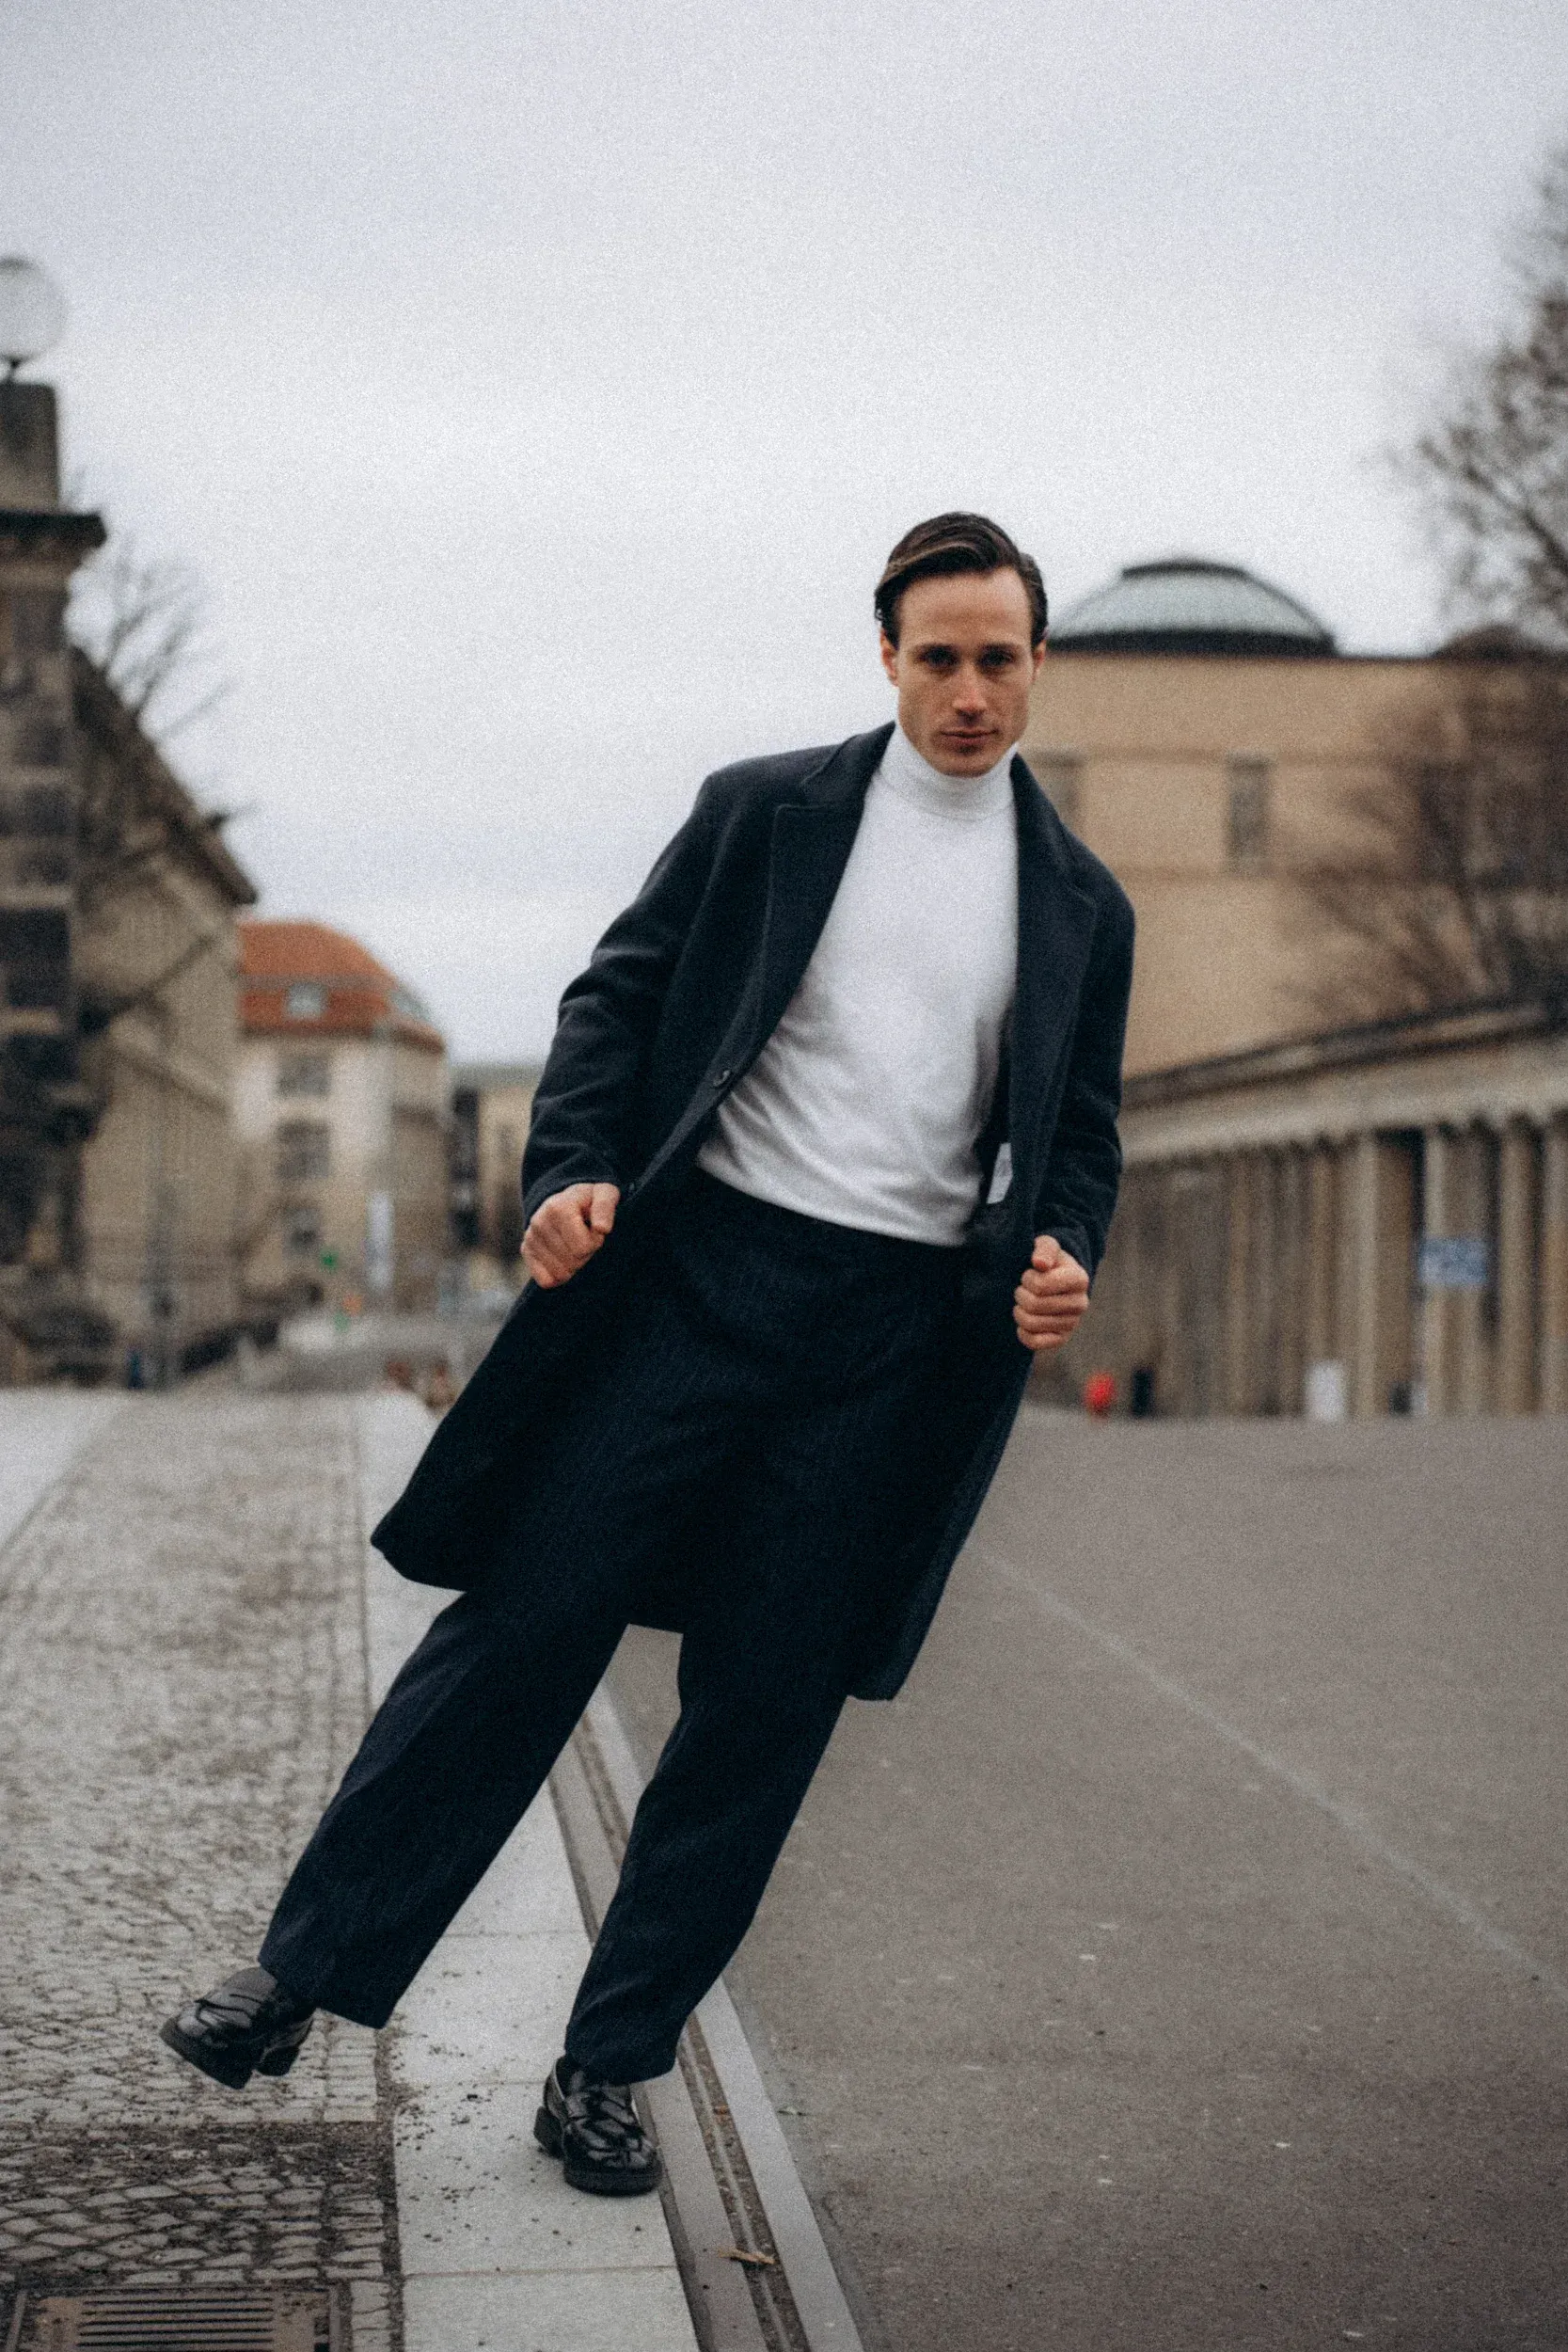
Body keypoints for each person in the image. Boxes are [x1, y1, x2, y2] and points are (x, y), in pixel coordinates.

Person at [162, 512, 1134, 2197]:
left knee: (759, 1718)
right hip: (691, 1291)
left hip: (886, 1346)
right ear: (887, 657)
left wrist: (1063, 1253)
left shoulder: (1077, 905)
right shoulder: (762, 814)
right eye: (938, 658)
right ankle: (294, 1978)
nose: (969, 691)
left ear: (1037, 662)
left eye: (998, 659)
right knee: (520, 1630)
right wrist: (566, 1174)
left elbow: (1079, 1137)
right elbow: (613, 1000)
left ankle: (606, 2068)